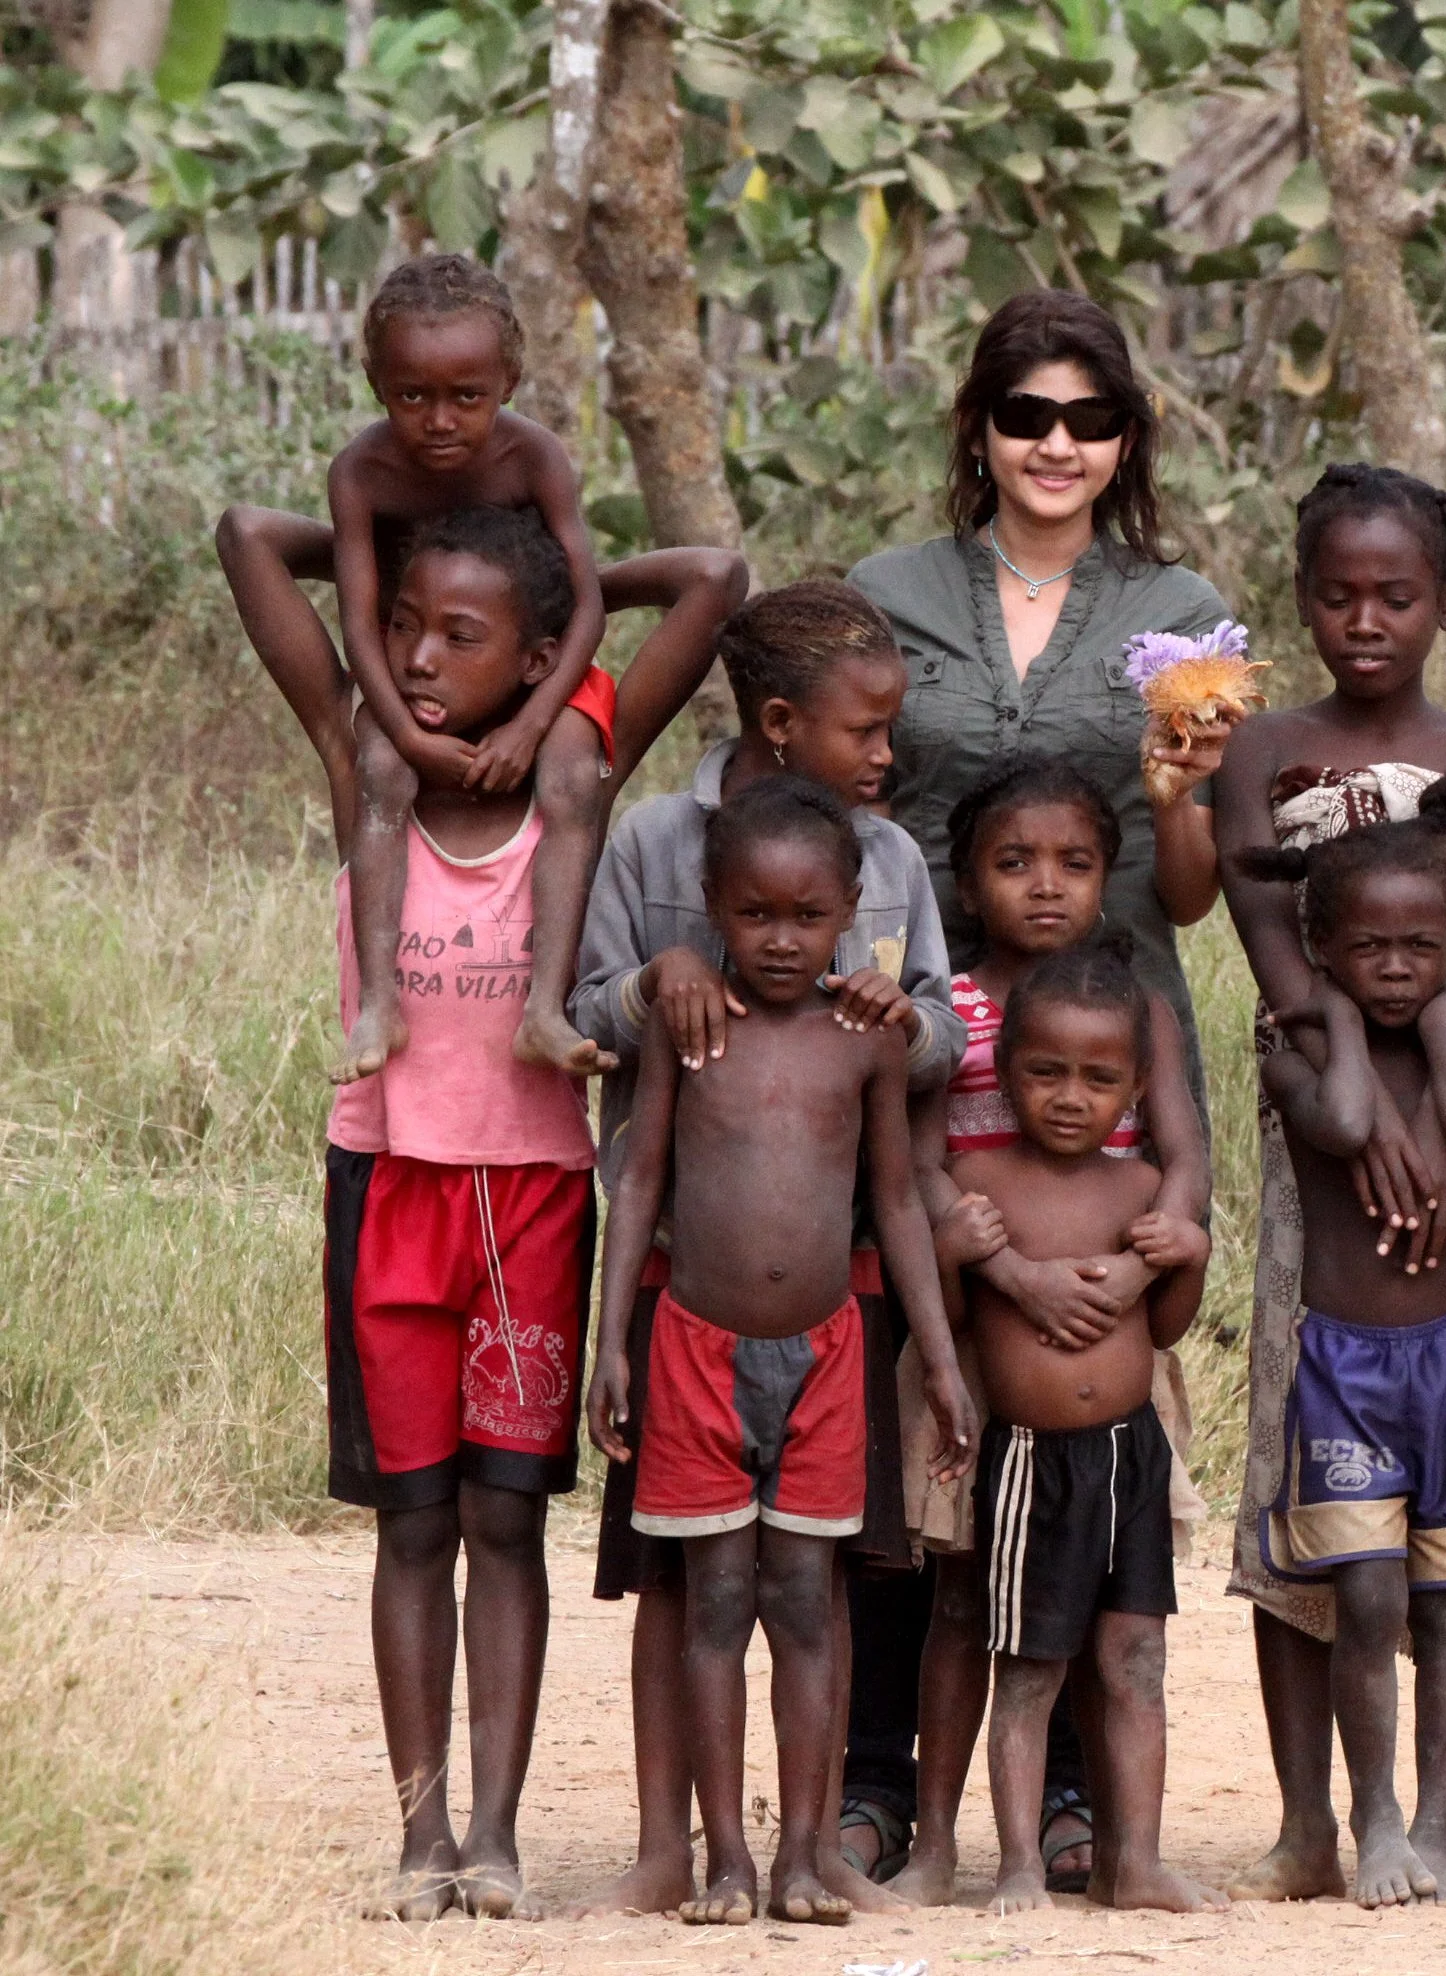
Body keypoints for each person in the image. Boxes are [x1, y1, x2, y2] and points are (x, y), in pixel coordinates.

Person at [246, 498, 742, 1921]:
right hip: (390, 1183)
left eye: (460, 636)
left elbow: (712, 577)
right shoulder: (362, 773)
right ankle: (421, 1838)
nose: (414, 658)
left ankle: (497, 1835)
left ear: (537, 660)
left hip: (531, 1199)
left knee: (505, 1519)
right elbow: (246, 538)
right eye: (402, 626)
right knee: (412, 1524)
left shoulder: (573, 782)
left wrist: (559, 589)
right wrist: (406, 537)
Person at [846, 287, 1244, 1885]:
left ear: (1126, 439)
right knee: (924, 1409)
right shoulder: (888, 593)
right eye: (1026, 416)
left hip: (1110, 1045)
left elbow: (1190, 892)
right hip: (931, 1048)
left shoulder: (1184, 614)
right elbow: (843, 795)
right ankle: (882, 1781)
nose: (1056, 445)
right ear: (981, 429)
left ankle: (1074, 1794)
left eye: (1088, 419)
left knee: (1089, 1408)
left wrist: (1179, 796)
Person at [566, 579, 965, 1919]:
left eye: (814, 919)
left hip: (833, 1295)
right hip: (683, 1289)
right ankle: (671, 1848)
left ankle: (806, 1849)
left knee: (810, 1582)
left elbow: (940, 1034)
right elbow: (589, 1009)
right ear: (782, 723)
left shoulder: (888, 858)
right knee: (684, 1580)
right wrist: (656, 983)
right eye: (865, 728)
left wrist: (898, 1016)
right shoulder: (653, 840)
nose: (886, 753)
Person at [1213, 464, 1446, 1903]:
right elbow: (1280, 964)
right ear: (1301, 598)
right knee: (1298, 1462)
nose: (1365, 620)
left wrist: (1437, 1109)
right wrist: (1363, 1129)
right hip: (1327, 1107)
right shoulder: (1261, 751)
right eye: (1337, 594)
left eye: (1397, 595)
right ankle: (1311, 1819)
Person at [219, 255, 683, 1085]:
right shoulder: (362, 472)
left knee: (572, 772)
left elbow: (584, 607)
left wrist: (532, 723)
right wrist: (404, 733)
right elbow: (359, 620)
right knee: (379, 768)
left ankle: (545, 1007)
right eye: (411, 396)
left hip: (533, 669)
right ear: (375, 383)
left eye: (467, 397)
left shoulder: (532, 457)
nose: (439, 421)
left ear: (509, 381)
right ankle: (379, 1002)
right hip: (417, 658)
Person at [886, 758, 1212, 1905]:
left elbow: (1184, 1157)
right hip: (983, 1346)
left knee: (1112, 1625)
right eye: (1014, 861)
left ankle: (1118, 1844)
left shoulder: (1140, 1005)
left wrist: (1143, 1263)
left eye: (1074, 862)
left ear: (1109, 875)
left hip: (1110, 1340)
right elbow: (919, 1168)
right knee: (963, 1606)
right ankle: (939, 1841)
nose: (1044, 884)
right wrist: (1010, 1272)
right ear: (968, 878)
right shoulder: (950, 1006)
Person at [1235, 771, 1446, 1906]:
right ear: (1320, 951)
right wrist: (1334, 1023)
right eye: (1366, 949)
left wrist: (1440, 1026)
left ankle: (1434, 1820)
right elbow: (1341, 1119)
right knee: (1368, 1597)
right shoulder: (1297, 1060)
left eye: (1421, 948)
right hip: (1346, 1366)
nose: (1393, 967)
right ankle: (1370, 1816)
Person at [940, 940, 1223, 1917]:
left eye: (1099, 1079)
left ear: (1136, 1087)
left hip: (1131, 1454)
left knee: (1136, 1657)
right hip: (1031, 1460)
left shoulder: (1140, 1189)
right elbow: (956, 1318)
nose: (1070, 1097)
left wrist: (1187, 1253)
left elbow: (1169, 1326)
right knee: (1029, 1668)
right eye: (1045, 1072)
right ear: (1003, 1069)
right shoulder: (979, 1181)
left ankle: (1133, 1859)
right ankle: (1020, 1862)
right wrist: (956, 1249)